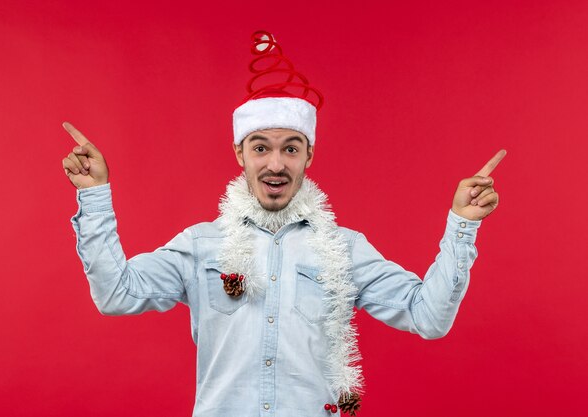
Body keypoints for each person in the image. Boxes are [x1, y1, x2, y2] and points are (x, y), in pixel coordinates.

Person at [62, 31, 505, 417]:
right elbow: (116, 295)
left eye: (291, 149)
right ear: (240, 154)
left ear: (308, 156)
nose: (276, 163)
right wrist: (94, 195)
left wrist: (462, 226)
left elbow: (428, 317)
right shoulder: (200, 246)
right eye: (260, 148)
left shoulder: (345, 248)